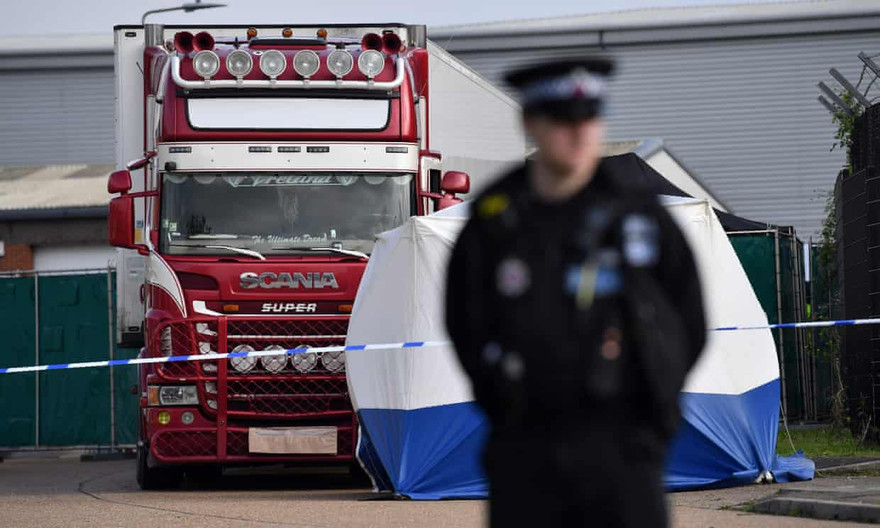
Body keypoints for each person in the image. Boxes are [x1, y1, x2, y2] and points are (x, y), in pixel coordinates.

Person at [444, 58, 706, 527]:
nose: (578, 133)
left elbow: (690, 320)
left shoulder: (640, 216)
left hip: (625, 449)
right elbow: (465, 323)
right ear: (531, 124)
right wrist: (505, 404)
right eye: (562, 120)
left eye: (589, 118)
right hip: (527, 450)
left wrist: (654, 416)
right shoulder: (495, 221)